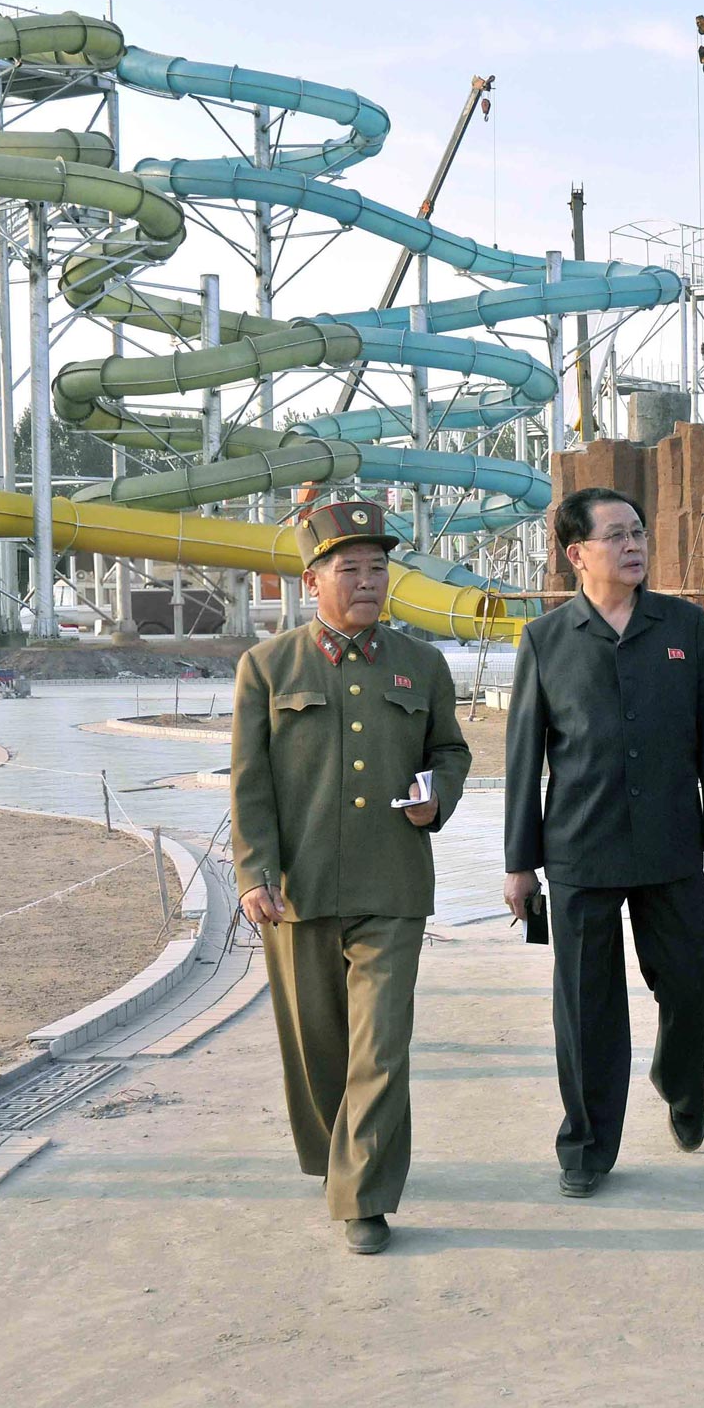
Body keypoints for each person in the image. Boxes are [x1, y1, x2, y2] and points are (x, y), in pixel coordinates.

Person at [231, 500, 472, 1255]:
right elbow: (250, 784)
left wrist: (439, 795)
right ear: (313, 581)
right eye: (350, 569)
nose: (368, 582)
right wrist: (253, 874)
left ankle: (363, 1196)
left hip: (394, 888)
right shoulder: (268, 668)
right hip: (299, 890)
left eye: (378, 568)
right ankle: (336, 1157)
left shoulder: (422, 664)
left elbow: (451, 753)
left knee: (380, 1047)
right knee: (319, 1051)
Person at [502, 486, 704, 1198]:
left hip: (671, 841)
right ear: (578, 554)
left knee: (693, 982)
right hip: (581, 845)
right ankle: (585, 1145)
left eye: (638, 532)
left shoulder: (683, 626)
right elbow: (524, 759)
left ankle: (679, 1075)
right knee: (586, 1005)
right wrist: (521, 865)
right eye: (617, 535)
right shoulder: (546, 640)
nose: (634, 545)